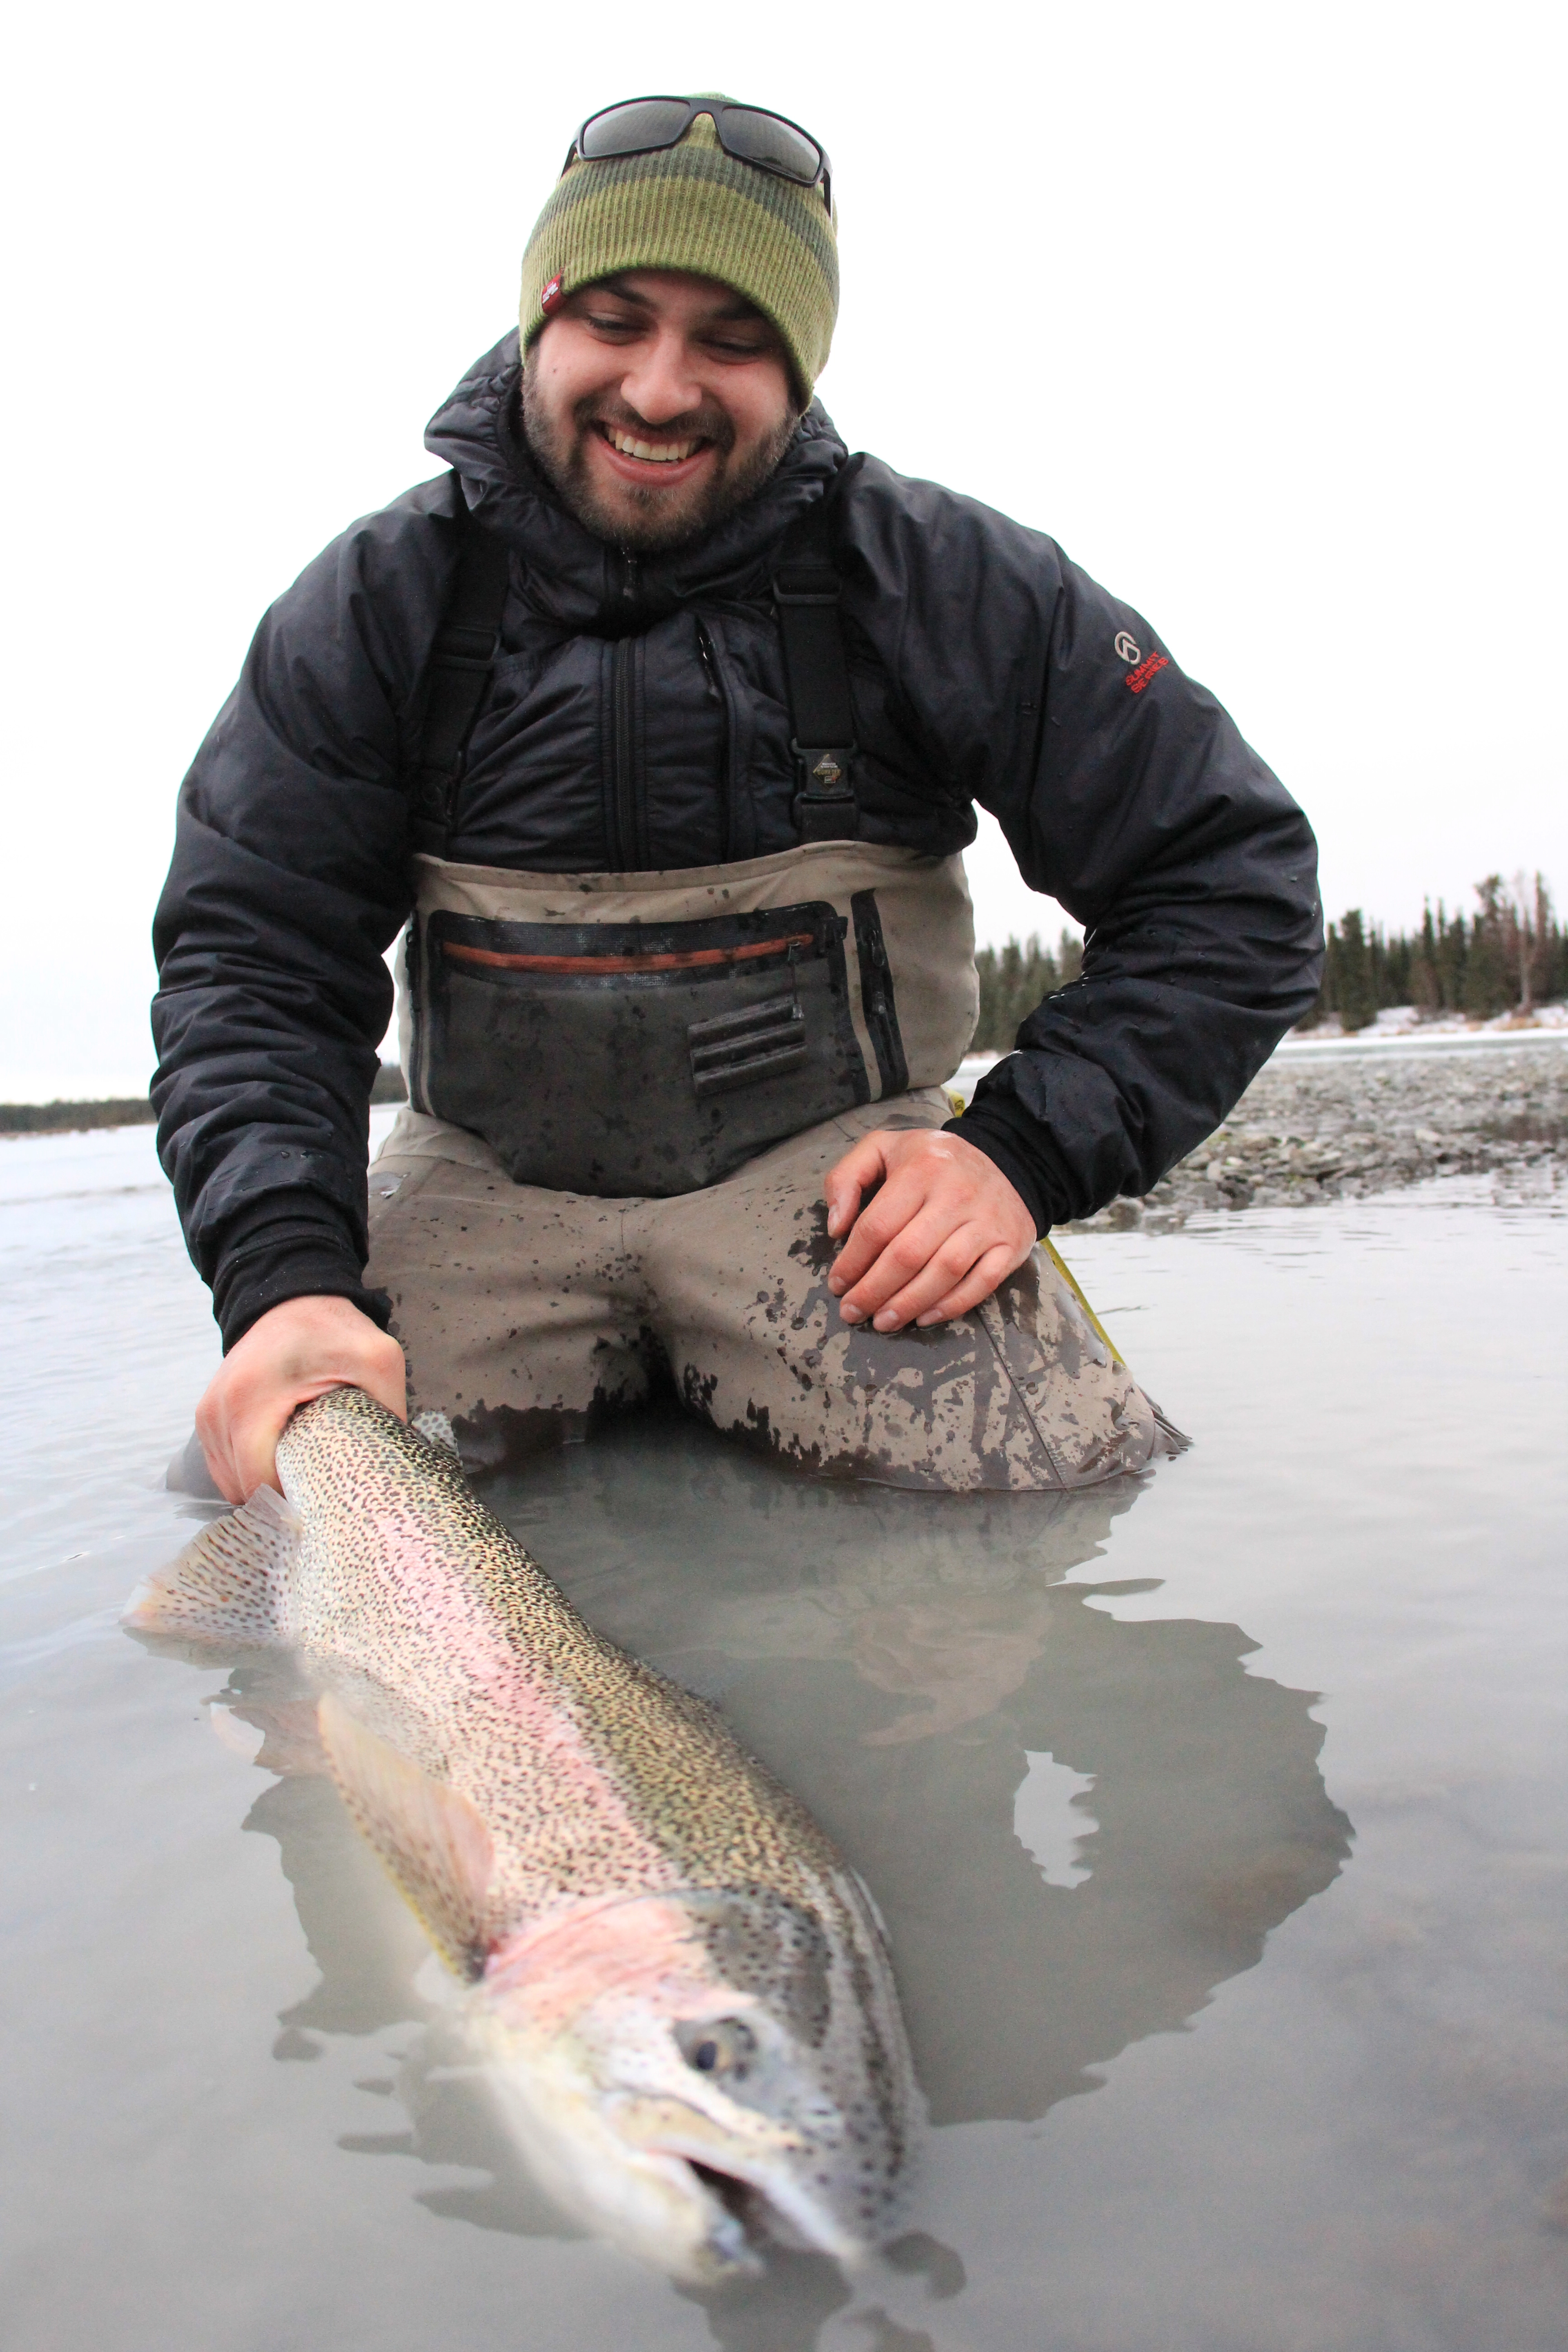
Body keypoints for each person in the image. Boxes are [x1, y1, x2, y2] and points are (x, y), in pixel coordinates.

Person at [152, 94, 1321, 1507]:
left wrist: (1017, 1154)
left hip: (841, 1201)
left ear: (802, 368)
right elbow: (251, 963)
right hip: (484, 1192)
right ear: (541, 319)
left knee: (1057, 1478)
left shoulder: (946, 580)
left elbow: (1230, 882)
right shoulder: (375, 604)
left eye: (732, 340)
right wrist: (283, 1282)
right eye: (617, 319)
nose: (658, 389)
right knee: (293, 1498)